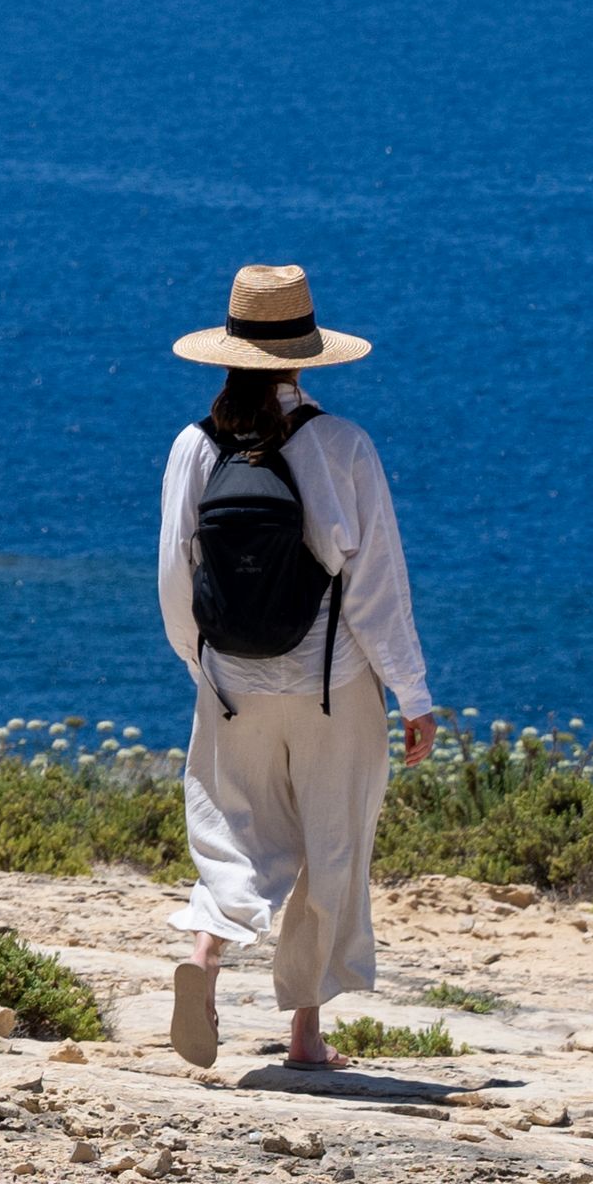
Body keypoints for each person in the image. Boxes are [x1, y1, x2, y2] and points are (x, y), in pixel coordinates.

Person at [149, 261, 435, 1075]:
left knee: (233, 835)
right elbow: (376, 589)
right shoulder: (341, 445)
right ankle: (305, 1032)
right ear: (305, 358)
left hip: (232, 682)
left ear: (228, 352)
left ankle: (205, 956)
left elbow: (174, 576)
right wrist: (413, 694)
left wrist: (204, 668)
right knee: (330, 845)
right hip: (330, 684)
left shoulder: (194, 447)